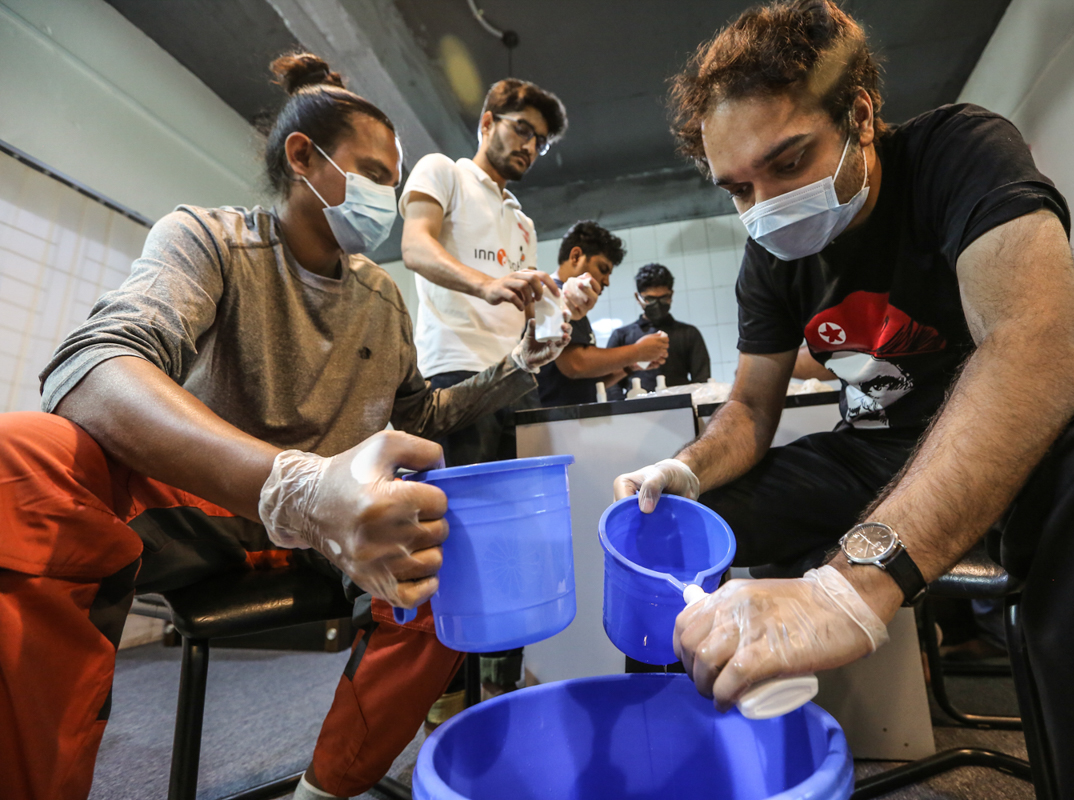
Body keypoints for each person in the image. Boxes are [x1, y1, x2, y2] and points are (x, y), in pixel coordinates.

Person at [614, 3, 1074, 798]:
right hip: (873, 451)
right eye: (739, 188)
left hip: (1014, 444)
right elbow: (751, 411)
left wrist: (850, 586)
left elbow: (1037, 342)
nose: (764, 206)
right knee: (669, 530)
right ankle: (690, 764)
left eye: (787, 163)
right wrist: (682, 472)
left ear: (860, 115)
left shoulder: (959, 152)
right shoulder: (771, 259)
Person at [0, 53, 570, 800]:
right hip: (212, 507)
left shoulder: (381, 298)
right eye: (371, 173)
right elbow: (93, 364)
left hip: (342, 529)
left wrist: (520, 366)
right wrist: (293, 486)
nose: (385, 197)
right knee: (26, 459)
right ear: (304, 157)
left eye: (392, 184)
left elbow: (422, 414)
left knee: (453, 558)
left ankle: (326, 790)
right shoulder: (208, 240)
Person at [400, 78, 595, 463]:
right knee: (466, 513)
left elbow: (527, 309)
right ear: (487, 122)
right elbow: (415, 246)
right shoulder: (445, 172)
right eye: (522, 128)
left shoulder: (523, 222)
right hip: (457, 373)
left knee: (525, 512)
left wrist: (563, 306)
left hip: (519, 377)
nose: (530, 146)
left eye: (540, 140)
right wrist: (486, 285)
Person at [536, 222, 673, 407]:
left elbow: (586, 382)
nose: (606, 281)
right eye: (602, 269)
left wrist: (630, 366)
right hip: (553, 421)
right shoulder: (552, 296)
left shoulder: (572, 303)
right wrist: (638, 351)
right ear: (576, 256)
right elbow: (575, 365)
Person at [608, 263, 711, 395]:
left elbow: (702, 382)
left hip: (682, 409)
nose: (657, 305)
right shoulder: (621, 336)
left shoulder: (689, 334)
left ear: (671, 295)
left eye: (663, 298)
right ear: (637, 297)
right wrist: (622, 411)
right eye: (650, 299)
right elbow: (610, 384)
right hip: (635, 411)